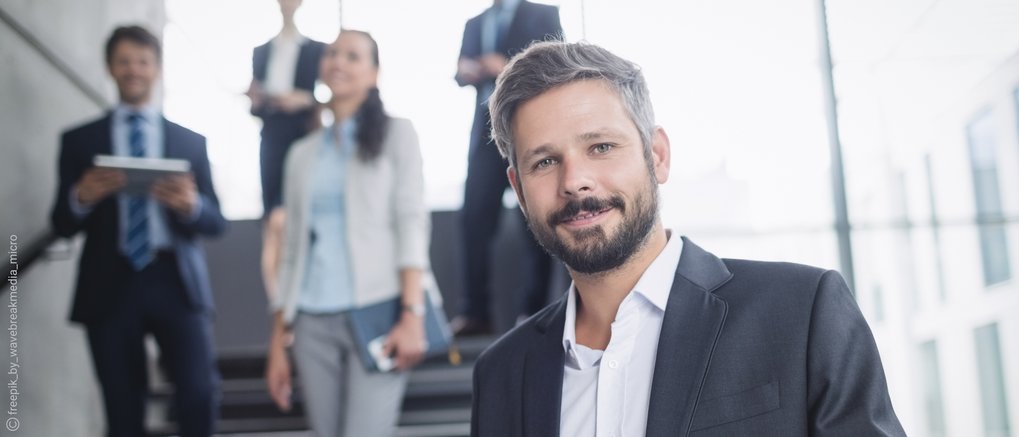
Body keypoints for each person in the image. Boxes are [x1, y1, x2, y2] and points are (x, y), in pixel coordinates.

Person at [470, 41, 906, 437]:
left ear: (657, 156)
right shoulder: (501, 373)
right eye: (544, 162)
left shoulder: (802, 312)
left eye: (601, 147)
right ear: (520, 190)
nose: (575, 181)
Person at [49, 26, 226, 437]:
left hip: (175, 282)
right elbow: (60, 222)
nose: (134, 70)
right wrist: (82, 196)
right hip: (110, 281)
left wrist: (190, 206)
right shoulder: (79, 141)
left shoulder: (189, 142)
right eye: (125, 61)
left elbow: (217, 222)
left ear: (157, 69)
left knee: (199, 394)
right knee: (122, 406)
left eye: (142, 61)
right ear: (111, 68)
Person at [264, 29, 430, 436]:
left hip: (379, 312)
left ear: (374, 73)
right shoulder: (301, 154)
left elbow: (411, 222)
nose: (338, 62)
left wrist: (413, 314)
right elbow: (290, 253)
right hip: (310, 321)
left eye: (353, 56)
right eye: (332, 53)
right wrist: (277, 343)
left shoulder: (397, 134)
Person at [453, 0, 564, 336]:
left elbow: (557, 68)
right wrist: (465, 71)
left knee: (535, 222)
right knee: (473, 219)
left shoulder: (544, 14)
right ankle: (476, 313)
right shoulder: (475, 23)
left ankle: (535, 310)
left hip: (528, 131)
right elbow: (459, 73)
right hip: (485, 136)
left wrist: (507, 66)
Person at [247, 0, 327, 302]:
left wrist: (304, 100)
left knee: (304, 213)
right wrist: (256, 100)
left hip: (304, 133)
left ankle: (306, 296)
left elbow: (327, 99)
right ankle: (278, 304)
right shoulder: (261, 51)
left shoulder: (315, 49)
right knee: (274, 219)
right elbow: (256, 107)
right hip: (272, 135)